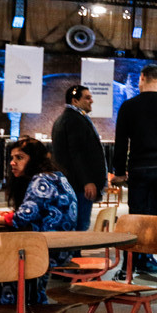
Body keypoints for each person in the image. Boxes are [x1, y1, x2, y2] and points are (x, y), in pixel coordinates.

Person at [0, 137, 79, 303]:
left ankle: (8, 309)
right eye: (12, 158)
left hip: (43, 250)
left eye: (19, 158)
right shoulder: (55, 176)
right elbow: (32, 214)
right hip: (58, 248)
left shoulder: (41, 180)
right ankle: (20, 307)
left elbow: (22, 218)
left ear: (34, 160)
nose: (12, 163)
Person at [112, 64, 157, 276]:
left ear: (141, 78)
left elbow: (121, 142)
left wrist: (119, 171)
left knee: (135, 217)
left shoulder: (129, 106)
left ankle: (129, 266)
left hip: (139, 168)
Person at [50, 84, 106, 232]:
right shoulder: (75, 120)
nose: (91, 101)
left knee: (73, 225)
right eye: (87, 98)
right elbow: (77, 153)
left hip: (71, 184)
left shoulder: (65, 119)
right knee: (80, 227)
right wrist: (87, 181)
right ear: (75, 101)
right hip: (79, 187)